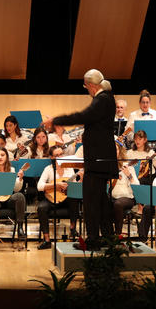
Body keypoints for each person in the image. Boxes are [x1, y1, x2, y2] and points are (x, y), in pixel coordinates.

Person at [44, 68, 117, 247]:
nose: (88, 91)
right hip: (101, 161)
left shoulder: (102, 99)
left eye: (86, 87)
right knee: (100, 201)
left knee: (92, 201)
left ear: (91, 85)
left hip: (97, 162)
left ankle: (93, 240)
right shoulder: (107, 99)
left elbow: (82, 116)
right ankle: (108, 237)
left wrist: (56, 120)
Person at [36, 146, 79, 250]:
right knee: (41, 207)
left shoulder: (69, 169)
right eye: (57, 155)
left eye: (61, 154)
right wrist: (56, 185)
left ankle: (73, 229)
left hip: (65, 198)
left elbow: (73, 184)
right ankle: (46, 240)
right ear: (52, 157)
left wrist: (78, 180)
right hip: (51, 199)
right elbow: (40, 186)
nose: (60, 157)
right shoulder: (48, 169)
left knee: (74, 198)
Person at [0, 147, 26, 251]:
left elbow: (16, 189)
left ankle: (20, 227)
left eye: (2, 155)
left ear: (6, 157)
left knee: (20, 196)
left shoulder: (11, 170)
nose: (0, 157)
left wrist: (20, 179)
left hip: (8, 198)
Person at [111, 143, 139, 235]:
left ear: (120, 151)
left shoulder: (128, 166)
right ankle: (107, 234)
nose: (115, 152)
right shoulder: (108, 166)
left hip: (127, 198)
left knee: (118, 204)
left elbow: (137, 185)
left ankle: (117, 234)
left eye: (116, 149)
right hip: (112, 196)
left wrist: (129, 175)